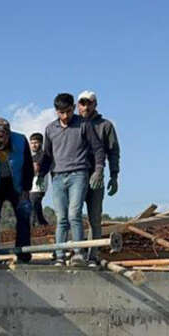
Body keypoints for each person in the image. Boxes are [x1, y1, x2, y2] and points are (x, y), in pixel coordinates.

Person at [38, 93, 105, 266]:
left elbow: (98, 149)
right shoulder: (50, 129)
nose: (65, 116)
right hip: (58, 177)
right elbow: (47, 154)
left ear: (73, 108)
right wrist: (41, 174)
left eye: (68, 112)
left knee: (74, 214)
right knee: (61, 218)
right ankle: (59, 255)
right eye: (61, 113)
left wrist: (99, 169)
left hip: (79, 174)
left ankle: (78, 254)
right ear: (56, 111)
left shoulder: (84, 125)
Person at [0, 119, 34, 263]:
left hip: (17, 184)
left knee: (23, 216)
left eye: (0, 137)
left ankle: (23, 255)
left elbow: (28, 167)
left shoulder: (21, 141)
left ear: (8, 135)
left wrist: (26, 190)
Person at [77, 91, 121, 264]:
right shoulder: (73, 124)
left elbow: (113, 151)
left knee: (94, 217)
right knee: (72, 216)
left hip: (96, 176)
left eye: (89, 103)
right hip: (75, 176)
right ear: (78, 105)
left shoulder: (105, 125)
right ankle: (76, 253)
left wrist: (114, 175)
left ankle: (93, 255)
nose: (85, 107)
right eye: (82, 103)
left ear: (95, 104)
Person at [29, 132, 49, 227]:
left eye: (36, 142)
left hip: (39, 186)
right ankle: (44, 225)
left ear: (41, 143)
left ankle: (30, 228)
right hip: (31, 186)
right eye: (32, 143)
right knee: (37, 208)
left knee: (32, 206)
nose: (34, 145)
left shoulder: (44, 155)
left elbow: (36, 169)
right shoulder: (31, 157)